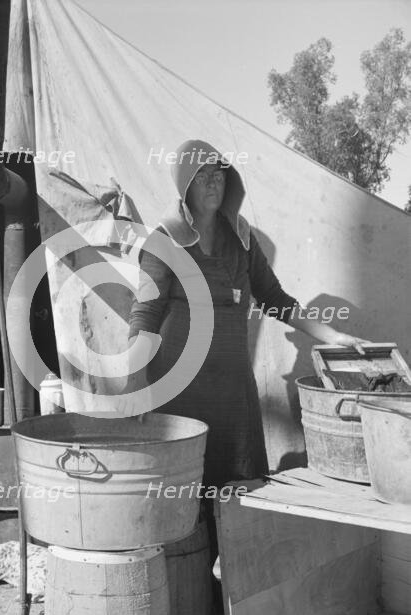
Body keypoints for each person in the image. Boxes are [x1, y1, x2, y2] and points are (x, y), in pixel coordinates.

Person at [123, 138, 366, 563]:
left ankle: (234, 592)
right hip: (181, 394)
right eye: (202, 176)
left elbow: (275, 297)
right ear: (184, 185)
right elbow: (144, 314)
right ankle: (189, 591)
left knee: (238, 491)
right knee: (185, 498)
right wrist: (134, 380)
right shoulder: (163, 242)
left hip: (234, 394)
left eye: (219, 174)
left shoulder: (242, 239)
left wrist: (331, 337)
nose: (213, 183)